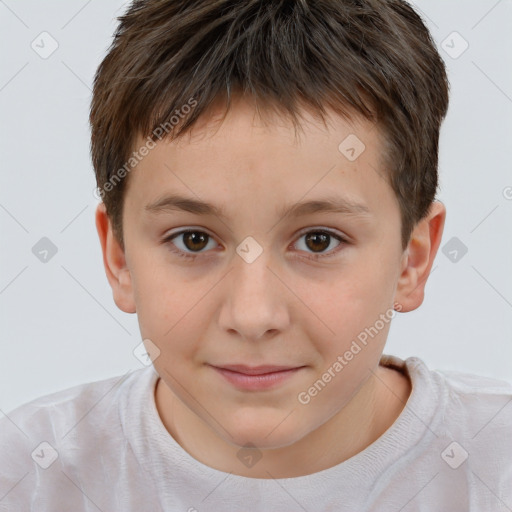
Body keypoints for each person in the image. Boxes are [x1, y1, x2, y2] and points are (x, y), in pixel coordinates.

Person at [1, 0, 511, 510]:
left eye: (318, 240)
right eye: (194, 240)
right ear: (120, 258)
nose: (252, 316)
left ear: (412, 259)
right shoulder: (28, 475)